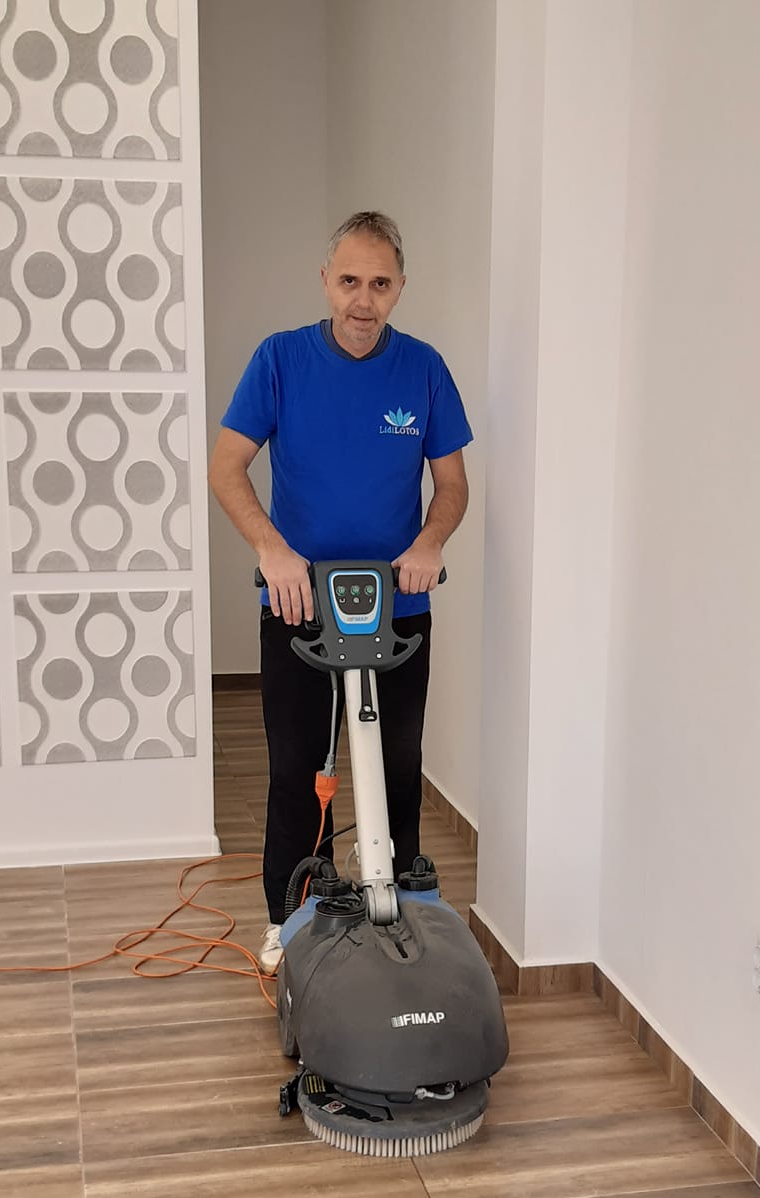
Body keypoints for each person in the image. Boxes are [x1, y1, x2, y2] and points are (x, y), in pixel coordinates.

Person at [208, 211, 472, 973]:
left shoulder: (423, 368)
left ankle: (406, 910)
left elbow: (452, 484)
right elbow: (226, 467)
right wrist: (274, 552)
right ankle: (290, 918)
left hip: (399, 603)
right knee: (298, 769)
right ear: (326, 281)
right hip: (299, 604)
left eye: (380, 284)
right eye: (350, 281)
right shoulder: (280, 359)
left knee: (397, 764)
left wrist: (429, 543)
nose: (364, 300)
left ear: (400, 288)